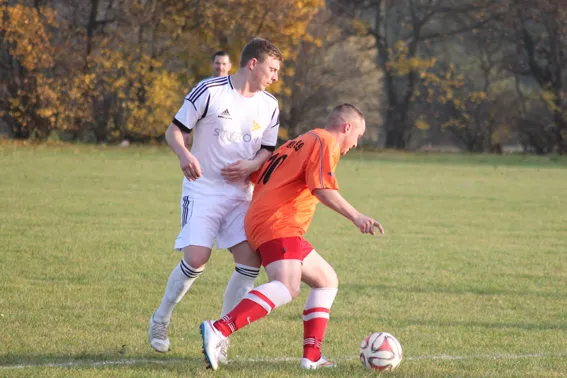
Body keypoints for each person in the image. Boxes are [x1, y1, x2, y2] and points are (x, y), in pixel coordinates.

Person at [199, 104, 385, 371]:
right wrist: (356, 216)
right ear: (347, 128)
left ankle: (312, 357)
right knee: (287, 286)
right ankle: (220, 328)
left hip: (270, 220)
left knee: (326, 280)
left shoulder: (299, 141)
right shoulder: (325, 141)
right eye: (358, 135)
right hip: (278, 222)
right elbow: (321, 188)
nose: (356, 144)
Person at [149, 38, 283, 365]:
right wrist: (183, 155)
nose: (275, 77)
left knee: (250, 262)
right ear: (253, 63)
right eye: (272, 69)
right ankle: (161, 318)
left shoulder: (270, 105)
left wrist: (252, 166)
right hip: (203, 189)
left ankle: (221, 332)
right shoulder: (209, 90)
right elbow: (174, 131)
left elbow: (268, 149)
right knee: (196, 259)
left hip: (241, 195)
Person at [185, 51, 233, 148]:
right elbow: (189, 112)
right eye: (217, 63)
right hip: (205, 143)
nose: (220, 67)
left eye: (224, 64)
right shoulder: (203, 86)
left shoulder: (235, 88)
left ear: (229, 66)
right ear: (212, 64)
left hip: (229, 143)